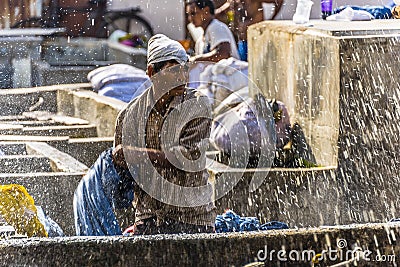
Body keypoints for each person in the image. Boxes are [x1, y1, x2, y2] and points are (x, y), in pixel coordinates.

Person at [112, 34, 216, 235]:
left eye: (185, 69)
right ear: (152, 72)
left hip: (192, 218)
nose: (183, 77)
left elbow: (188, 157)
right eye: (174, 70)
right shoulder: (129, 115)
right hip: (148, 218)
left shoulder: (197, 105)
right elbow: (124, 169)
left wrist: (138, 154)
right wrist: (120, 158)